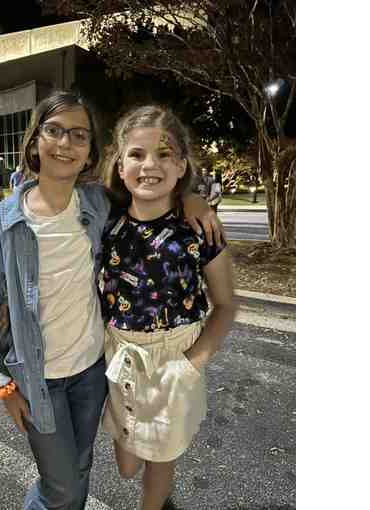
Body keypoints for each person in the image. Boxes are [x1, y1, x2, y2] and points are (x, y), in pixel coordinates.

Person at [0, 91, 224, 510]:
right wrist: (1, 383)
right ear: (35, 139)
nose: (65, 143)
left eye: (79, 134)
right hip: (38, 379)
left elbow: (149, 191)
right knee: (62, 488)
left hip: (91, 371)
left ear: (90, 151)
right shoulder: (1, 223)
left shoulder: (97, 204)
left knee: (79, 469)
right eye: (54, 131)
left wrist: (191, 197)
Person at [99, 105, 237, 510]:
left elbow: (226, 305)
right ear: (120, 165)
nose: (149, 165)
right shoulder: (105, 223)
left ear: (181, 166)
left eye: (164, 154)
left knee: (159, 464)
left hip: (174, 357)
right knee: (128, 466)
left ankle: (157, 500)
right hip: (120, 354)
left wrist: (190, 364)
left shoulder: (200, 231)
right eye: (137, 154)